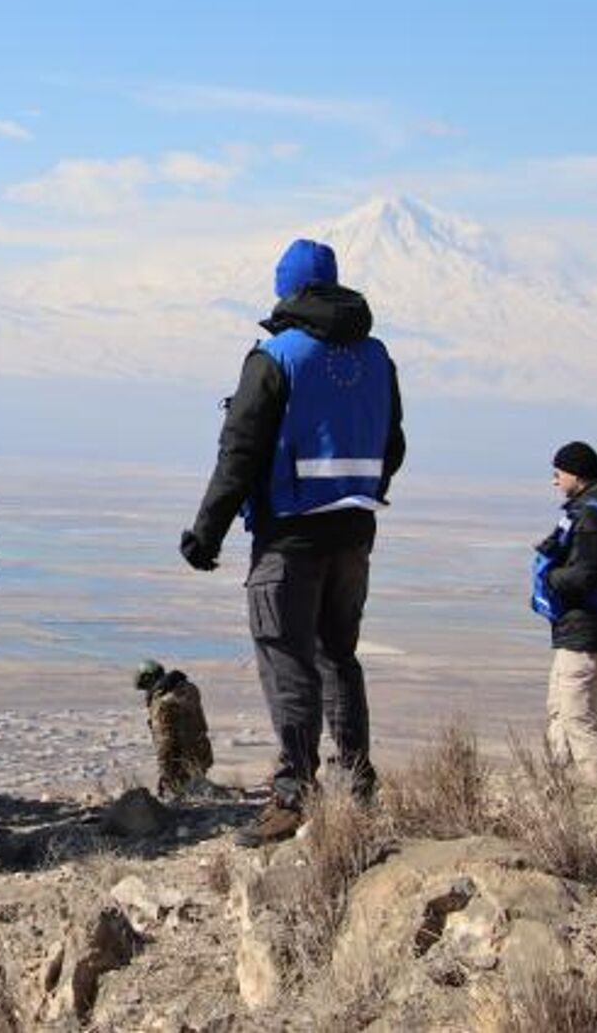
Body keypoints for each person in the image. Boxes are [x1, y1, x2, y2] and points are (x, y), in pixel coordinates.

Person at [180, 238, 405, 848]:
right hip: (356, 530)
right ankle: (357, 785)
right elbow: (395, 447)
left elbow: (240, 454)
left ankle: (292, 796)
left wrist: (206, 533)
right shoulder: (377, 356)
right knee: (339, 656)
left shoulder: (276, 358)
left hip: (291, 535)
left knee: (287, 657)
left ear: (286, 290)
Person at [531, 441, 597, 785]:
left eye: (558, 473)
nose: (554, 481)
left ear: (575, 473)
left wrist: (549, 578)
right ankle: (566, 790)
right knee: (563, 711)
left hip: (587, 631)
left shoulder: (591, 515)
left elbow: (585, 575)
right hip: (594, 629)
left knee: (579, 718)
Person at [135, 659, 214, 798]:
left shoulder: (161, 701)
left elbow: (165, 741)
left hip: (181, 765)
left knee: (184, 800)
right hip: (201, 756)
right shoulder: (187, 688)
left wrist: (166, 775)